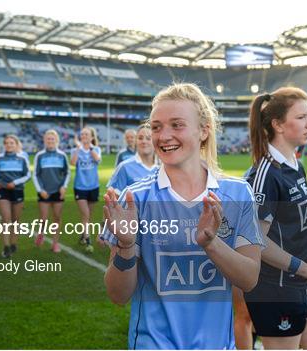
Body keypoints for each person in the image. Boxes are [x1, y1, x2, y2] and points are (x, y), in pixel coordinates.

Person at [102, 83, 264, 349]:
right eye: (156, 127)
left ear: (204, 130)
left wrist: (212, 243)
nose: (164, 136)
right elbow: (118, 295)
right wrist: (126, 245)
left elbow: (249, 278)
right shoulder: (135, 197)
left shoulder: (237, 193)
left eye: (176, 125)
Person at [240, 87, 307, 349]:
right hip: (277, 289)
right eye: (301, 117)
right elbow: (255, 240)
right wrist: (306, 268)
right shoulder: (265, 175)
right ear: (278, 125)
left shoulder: (297, 167)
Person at [0, 135, 30, 258]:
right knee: (6, 219)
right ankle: (6, 247)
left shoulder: (22, 159)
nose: (9, 145)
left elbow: (28, 175)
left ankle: (13, 244)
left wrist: (15, 183)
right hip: (3, 191)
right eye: (6, 143)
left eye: (11, 143)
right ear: (4, 145)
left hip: (17, 190)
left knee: (16, 221)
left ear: (16, 145)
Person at [33, 130, 70, 253]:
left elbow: (67, 173)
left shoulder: (62, 155)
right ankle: (41, 233)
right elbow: (36, 174)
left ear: (57, 141)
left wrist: (64, 187)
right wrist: (40, 189)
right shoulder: (40, 155)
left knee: (57, 217)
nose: (50, 141)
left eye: (52, 139)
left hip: (58, 191)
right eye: (48, 139)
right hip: (44, 191)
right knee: (43, 218)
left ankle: (55, 243)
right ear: (44, 140)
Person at [71, 126, 101, 253]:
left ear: (92, 137)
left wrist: (90, 148)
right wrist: (79, 148)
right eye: (82, 135)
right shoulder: (75, 150)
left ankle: (83, 235)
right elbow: (73, 163)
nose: (84, 137)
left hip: (93, 187)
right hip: (80, 187)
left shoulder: (96, 149)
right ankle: (88, 240)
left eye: (86, 135)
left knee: (88, 215)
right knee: (86, 214)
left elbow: (97, 159)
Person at [107, 124, 158, 195]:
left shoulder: (164, 167)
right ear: (136, 141)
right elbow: (114, 197)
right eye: (140, 138)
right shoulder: (124, 167)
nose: (144, 141)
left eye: (148, 138)